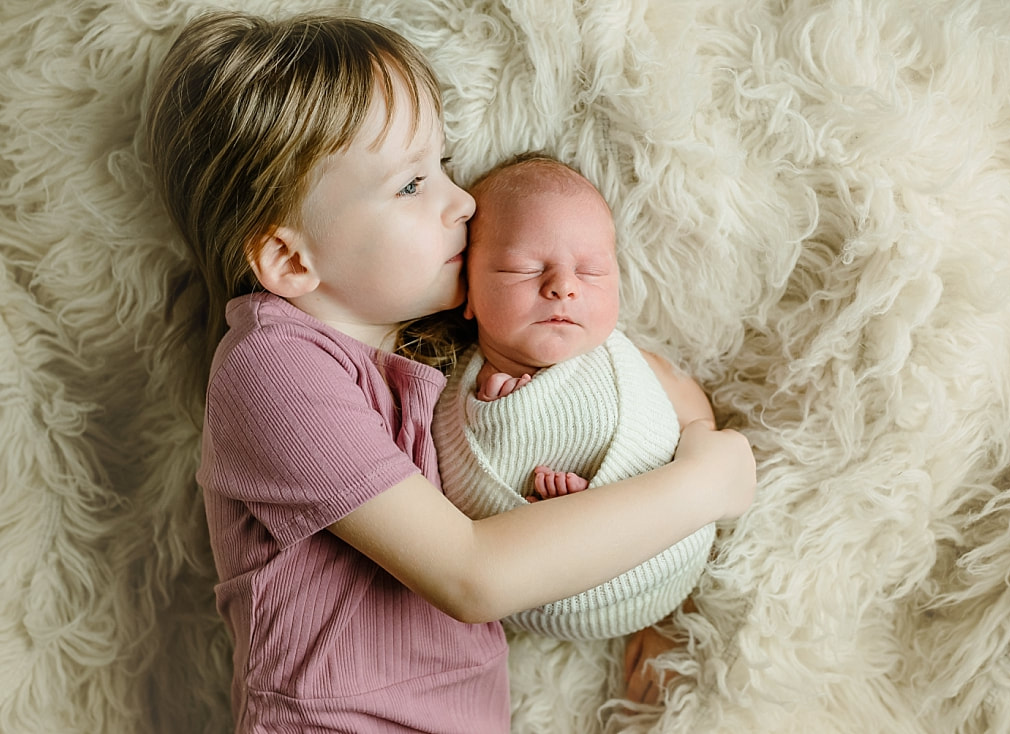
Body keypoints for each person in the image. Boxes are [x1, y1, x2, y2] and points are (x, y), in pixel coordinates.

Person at [144, 10, 756, 732]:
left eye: (443, 164)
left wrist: (653, 585)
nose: (462, 199)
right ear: (290, 260)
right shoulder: (271, 368)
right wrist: (700, 488)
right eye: (411, 184)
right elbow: (474, 574)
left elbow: (625, 382)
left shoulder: (436, 361)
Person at [433, 154, 719, 695]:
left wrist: (608, 502)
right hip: (532, 597)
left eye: (591, 271)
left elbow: (692, 414)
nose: (564, 286)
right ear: (467, 290)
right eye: (524, 268)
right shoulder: (445, 396)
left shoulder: (625, 359)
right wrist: (499, 423)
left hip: (670, 554)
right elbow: (452, 506)